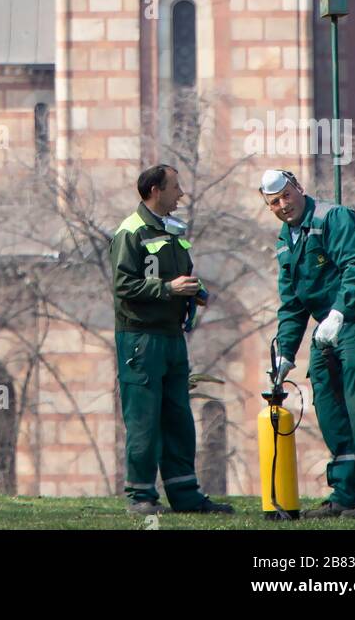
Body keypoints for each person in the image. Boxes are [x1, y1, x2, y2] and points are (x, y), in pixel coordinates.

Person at [261, 168, 355, 518]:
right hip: (328, 329)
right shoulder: (285, 239)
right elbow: (291, 303)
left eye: (286, 196)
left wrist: (339, 312)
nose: (282, 205)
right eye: (273, 202)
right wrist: (286, 353)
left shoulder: (333, 217)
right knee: (328, 402)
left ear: (299, 189)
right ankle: (345, 493)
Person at [110, 164, 233, 516]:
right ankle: (141, 497)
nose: (181, 194)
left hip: (172, 337)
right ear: (154, 191)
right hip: (140, 340)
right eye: (175, 187)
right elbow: (122, 287)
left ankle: (185, 495)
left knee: (178, 417)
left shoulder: (173, 230)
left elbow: (182, 274)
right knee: (144, 419)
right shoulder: (130, 232)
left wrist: (195, 291)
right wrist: (167, 289)